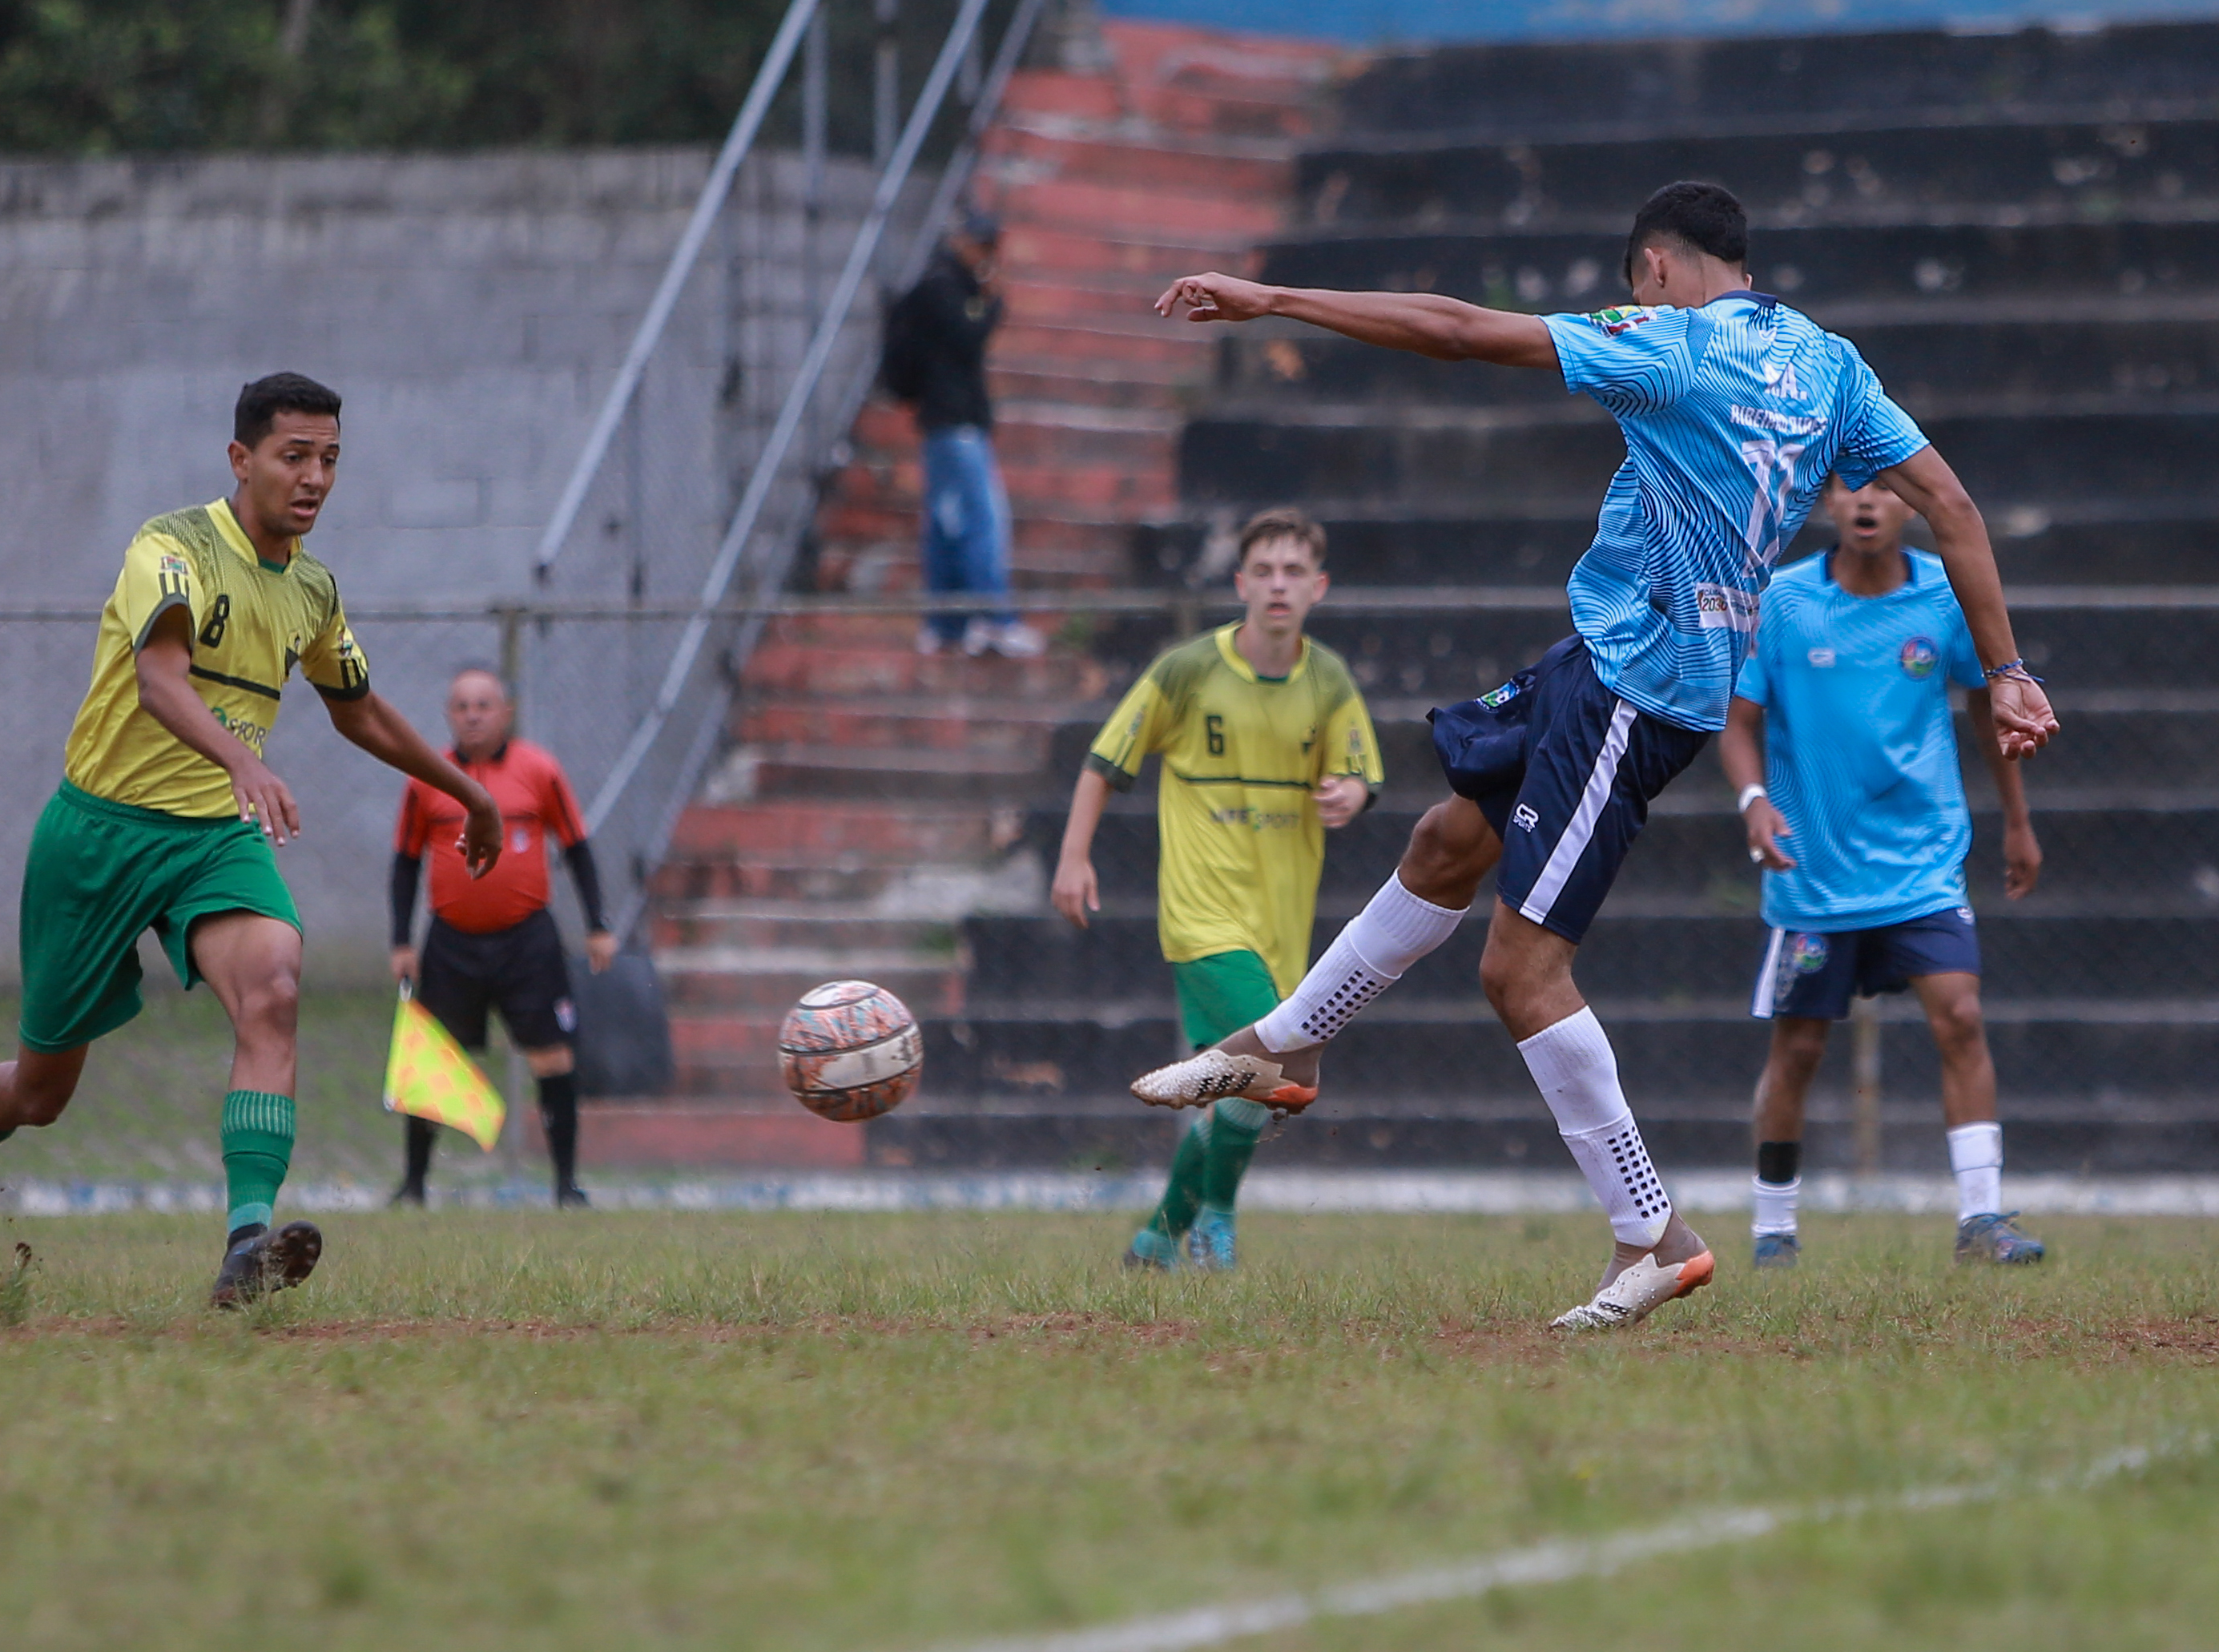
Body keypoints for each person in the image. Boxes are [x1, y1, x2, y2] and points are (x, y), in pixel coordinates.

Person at [1130, 182, 2056, 1332]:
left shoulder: (1663, 345)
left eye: (1631, 286)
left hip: (1638, 687)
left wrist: (1270, 297)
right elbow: (1954, 504)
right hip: (1603, 656)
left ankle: (1652, 1236)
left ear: (1655, 269)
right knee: (1442, 843)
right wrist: (2008, 670)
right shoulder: (1827, 366)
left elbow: (1458, 330)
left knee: (1519, 975)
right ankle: (1280, 1049)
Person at [0, 373, 503, 1306]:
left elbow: (359, 712)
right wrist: (242, 761)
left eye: (329, 460)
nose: (314, 477)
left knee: (275, 983)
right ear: (241, 460)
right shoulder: (171, 546)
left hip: (209, 838)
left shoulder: (312, 588)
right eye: (294, 456)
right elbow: (160, 679)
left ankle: (248, 1243)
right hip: (100, 832)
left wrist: (469, 792)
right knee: (41, 1092)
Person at [1724, 476, 2047, 1267]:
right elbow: (1738, 718)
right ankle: (1772, 1228)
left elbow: (1986, 700)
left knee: (1960, 1016)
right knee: (1797, 1049)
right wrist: (1754, 800)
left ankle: (1981, 1220)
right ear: (1826, 501)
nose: (1866, 501)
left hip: (1920, 862)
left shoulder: (1945, 596)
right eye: (1848, 488)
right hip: (1815, 870)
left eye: (1882, 487)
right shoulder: (1785, 600)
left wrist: (2016, 817)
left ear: (1910, 504)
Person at [1053, 509, 1382, 1271]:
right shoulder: (1186, 670)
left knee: (1240, 1089)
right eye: (1263, 570)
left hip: (1280, 926)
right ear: (1239, 583)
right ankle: (1217, 1224)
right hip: (1202, 919)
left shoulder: (1327, 679)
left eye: (1293, 572)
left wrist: (1350, 796)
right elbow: (1103, 762)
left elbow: (1362, 771)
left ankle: (1158, 1238)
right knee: (1265, 1073)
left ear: (1318, 588)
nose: (1277, 585)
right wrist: (1073, 858)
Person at [389, 667, 616, 1209]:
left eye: (483, 704)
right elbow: (405, 861)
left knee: (552, 1057)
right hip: (451, 943)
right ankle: (414, 1186)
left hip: (526, 942)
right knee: (430, 1063)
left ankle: (566, 1186)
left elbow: (577, 847)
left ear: (506, 712)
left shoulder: (539, 770)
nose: (472, 714)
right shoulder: (428, 777)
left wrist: (597, 925)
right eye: (461, 705)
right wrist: (401, 940)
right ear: (449, 714)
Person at [880, 208, 1045, 659]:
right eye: (985, 247)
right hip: (954, 425)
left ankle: (948, 624)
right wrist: (993, 301)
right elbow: (969, 337)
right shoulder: (943, 288)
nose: (989, 257)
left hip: (947, 424)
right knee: (981, 524)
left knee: (947, 527)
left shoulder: (942, 286)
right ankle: (995, 619)